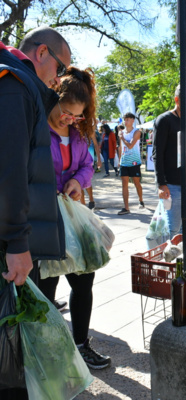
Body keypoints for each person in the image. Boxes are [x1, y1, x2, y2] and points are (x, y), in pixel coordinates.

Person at [0, 26, 71, 400]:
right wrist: (16, 241)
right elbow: (11, 170)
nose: (58, 80)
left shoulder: (16, 79)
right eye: (60, 68)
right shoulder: (15, 83)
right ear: (42, 52)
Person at [38, 66, 111, 370]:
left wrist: (79, 182)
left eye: (76, 115)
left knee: (84, 280)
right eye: (66, 112)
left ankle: (81, 344)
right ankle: (46, 352)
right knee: (46, 287)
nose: (70, 119)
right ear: (54, 99)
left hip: (73, 217)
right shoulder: (37, 127)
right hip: (43, 220)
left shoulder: (80, 134)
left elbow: (88, 164)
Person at [152, 84, 186, 238]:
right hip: (172, 184)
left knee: (184, 229)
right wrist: (161, 184)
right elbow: (157, 154)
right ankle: (169, 259)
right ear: (177, 100)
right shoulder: (164, 120)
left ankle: (181, 260)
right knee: (173, 230)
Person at [117, 112, 145, 214]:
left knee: (136, 183)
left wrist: (122, 138)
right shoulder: (122, 132)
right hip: (124, 162)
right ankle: (126, 207)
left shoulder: (136, 132)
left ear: (133, 120)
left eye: (128, 119)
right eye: (125, 119)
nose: (126, 121)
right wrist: (120, 160)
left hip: (134, 162)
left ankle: (141, 200)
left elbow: (130, 146)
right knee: (124, 184)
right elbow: (121, 147)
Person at [81, 129, 102, 209]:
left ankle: (91, 199)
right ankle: (83, 206)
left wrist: (99, 160)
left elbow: (96, 145)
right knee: (78, 183)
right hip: (77, 159)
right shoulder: (74, 129)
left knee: (86, 181)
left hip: (88, 160)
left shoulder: (90, 131)